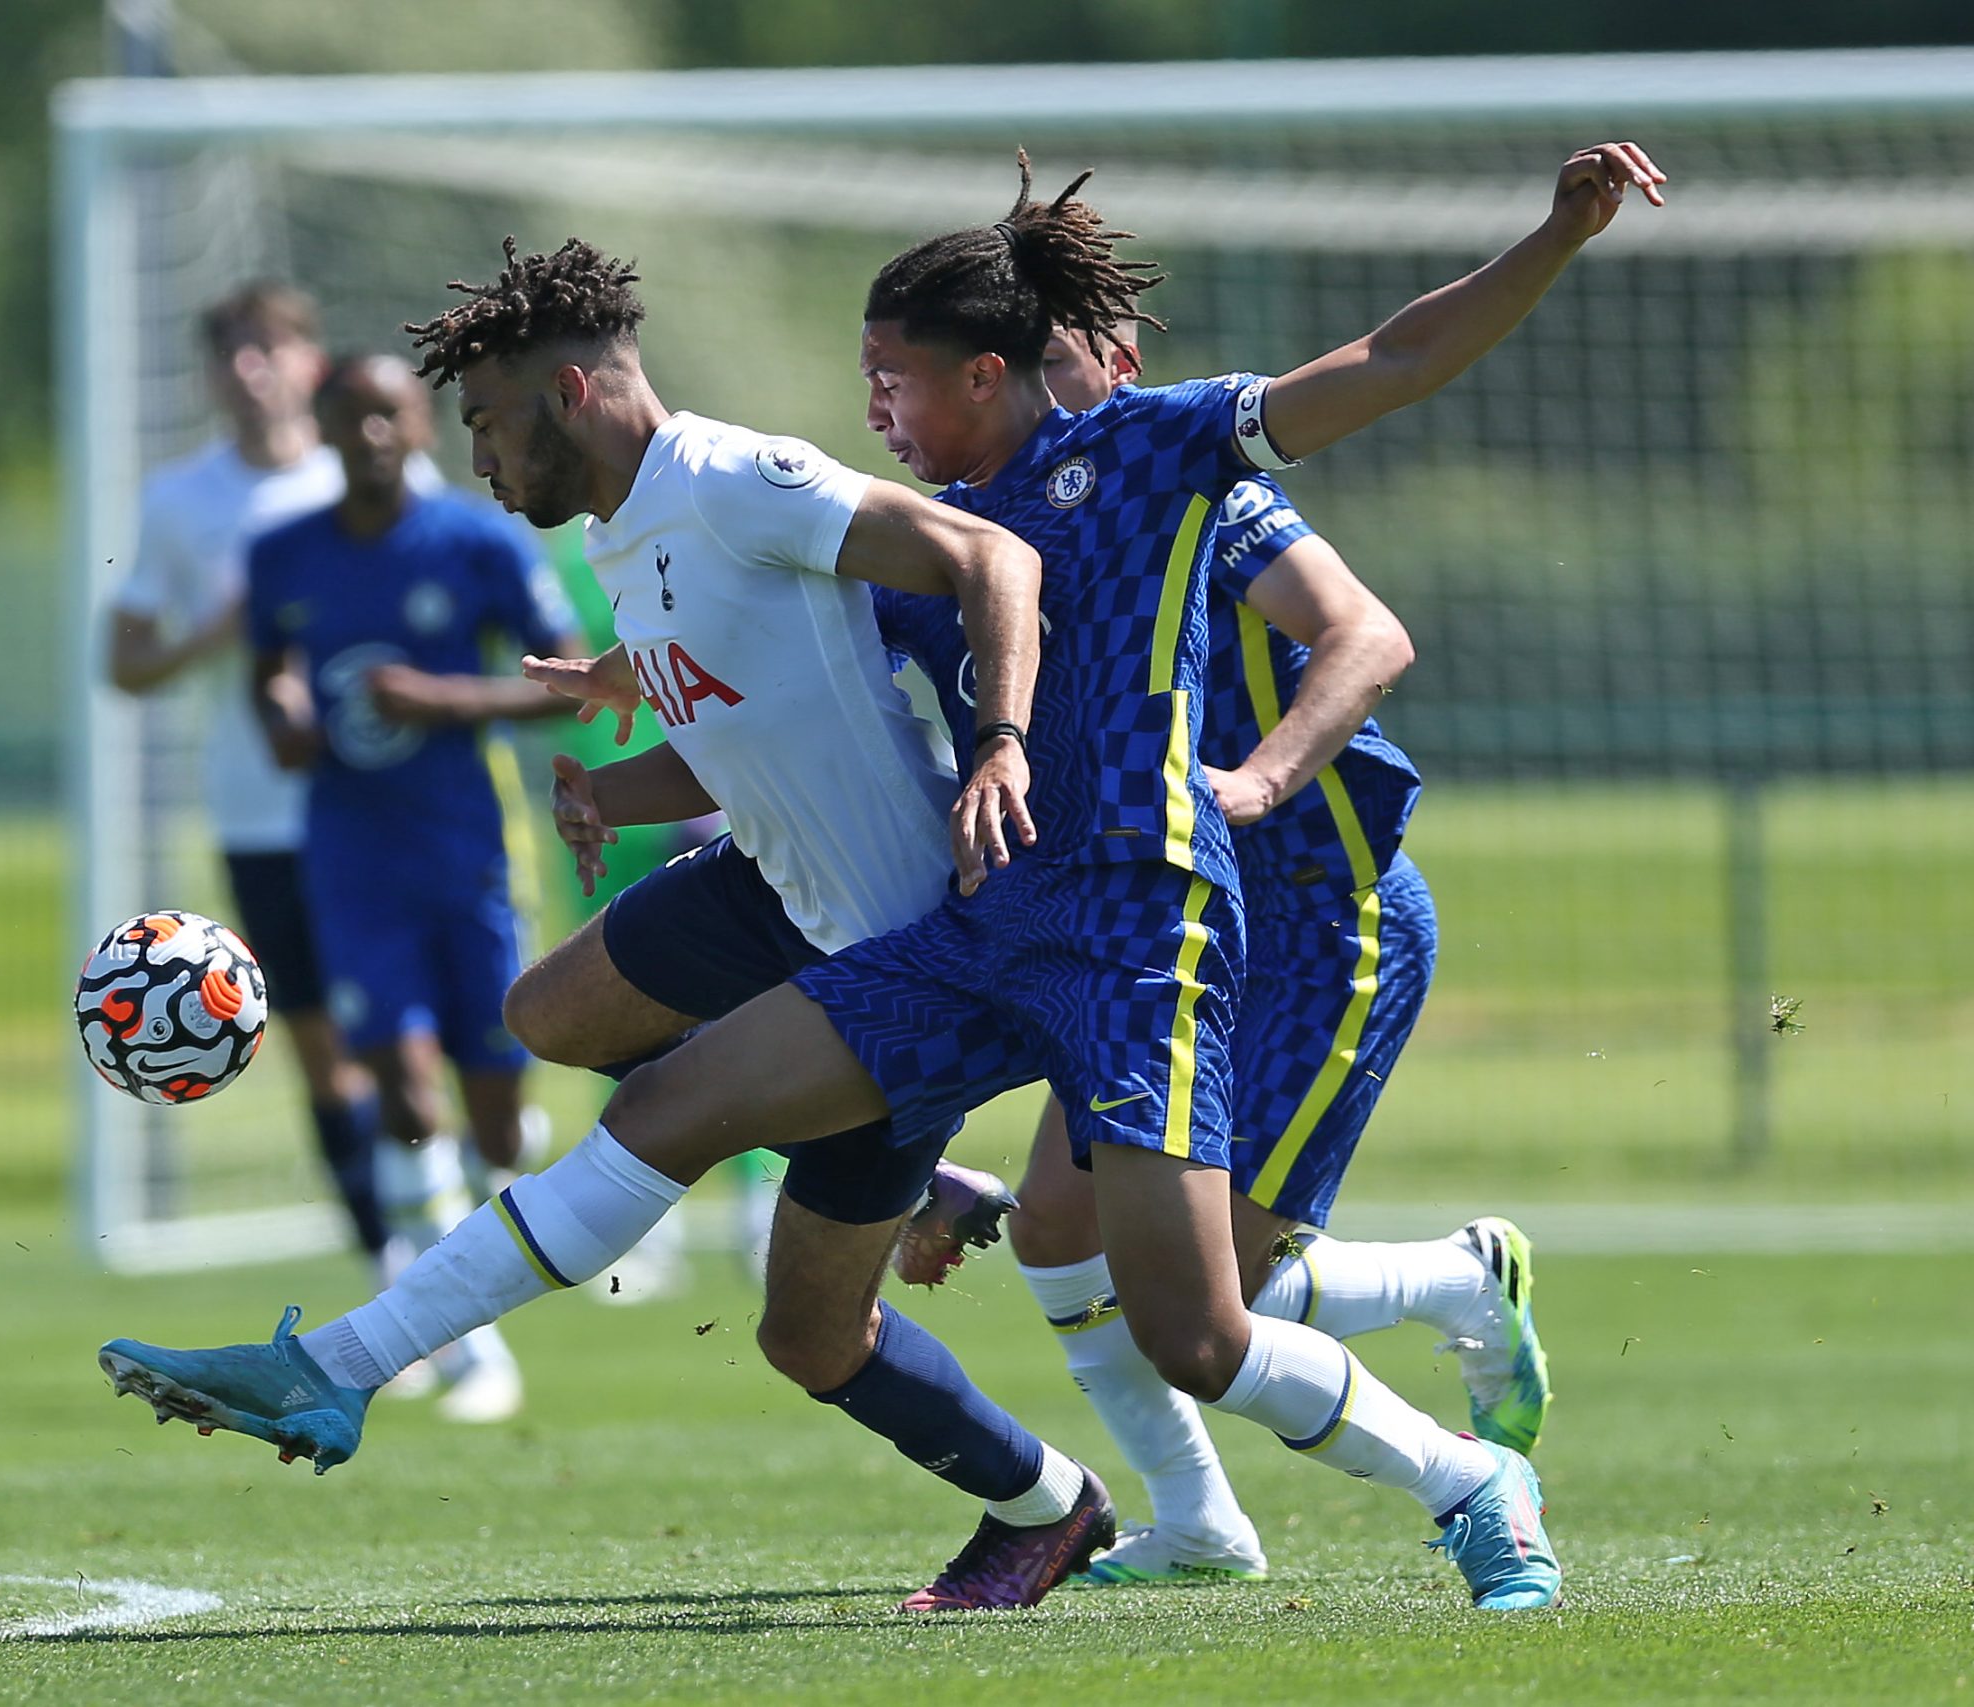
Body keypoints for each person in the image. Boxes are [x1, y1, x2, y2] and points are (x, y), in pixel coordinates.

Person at [96, 139, 1661, 1615]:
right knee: (669, 1105)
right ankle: (346, 1364)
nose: (874, 407)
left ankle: (1469, 1477)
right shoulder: (932, 541)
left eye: (892, 378)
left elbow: (1383, 366)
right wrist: (632, 721)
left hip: (1144, 929)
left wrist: (1554, 237)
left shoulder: (1160, 446)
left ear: (988, 369)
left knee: (1194, 1327)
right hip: (982, 924)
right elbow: (814, 705)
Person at [113, 240, 1119, 1612]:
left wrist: (1000, 741)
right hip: (778, 893)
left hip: (898, 954)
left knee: (776, 1290)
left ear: (571, 392)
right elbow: (745, 718)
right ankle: (1055, 1495)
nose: (473, 454)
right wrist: (617, 774)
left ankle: (339, 1365)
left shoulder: (734, 481)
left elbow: (990, 552)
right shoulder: (618, 528)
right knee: (553, 1014)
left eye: (484, 422)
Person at [888, 319, 1548, 1589]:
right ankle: (1197, 1523)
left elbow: (1370, 636)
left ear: (1112, 366)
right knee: (1064, 1243)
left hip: (1315, 914)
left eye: (1060, 360)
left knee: (1201, 1300)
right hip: (1155, 922)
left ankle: (1459, 1281)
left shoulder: (1186, 484)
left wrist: (1256, 779)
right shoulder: (975, 519)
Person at [240, 351, 591, 1423]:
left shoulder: (476, 541)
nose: (370, 437)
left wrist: (440, 698)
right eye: (347, 419)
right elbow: (270, 670)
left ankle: (482, 1219)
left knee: (495, 1118)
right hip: (349, 858)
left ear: (421, 428)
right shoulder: (283, 554)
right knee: (399, 1088)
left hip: (469, 856)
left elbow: (569, 681)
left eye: (388, 416)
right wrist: (286, 714)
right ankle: (463, 1341)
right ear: (322, 431)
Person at [103, 282, 394, 1277]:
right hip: (259, 809)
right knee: (317, 1041)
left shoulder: (368, 480)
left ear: (312, 365)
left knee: (410, 1034)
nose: (249, 366)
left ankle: (454, 1223)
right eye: (231, 350)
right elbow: (125, 661)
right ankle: (385, 1262)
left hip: (385, 800)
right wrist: (215, 634)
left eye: (269, 347)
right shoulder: (180, 501)